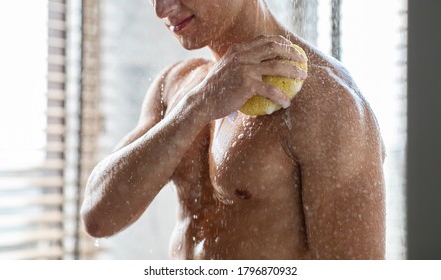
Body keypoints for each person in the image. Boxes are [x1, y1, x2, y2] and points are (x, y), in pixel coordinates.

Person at [80, 0, 386, 260]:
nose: (161, 9)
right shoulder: (177, 87)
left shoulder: (327, 102)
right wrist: (196, 107)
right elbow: (97, 218)